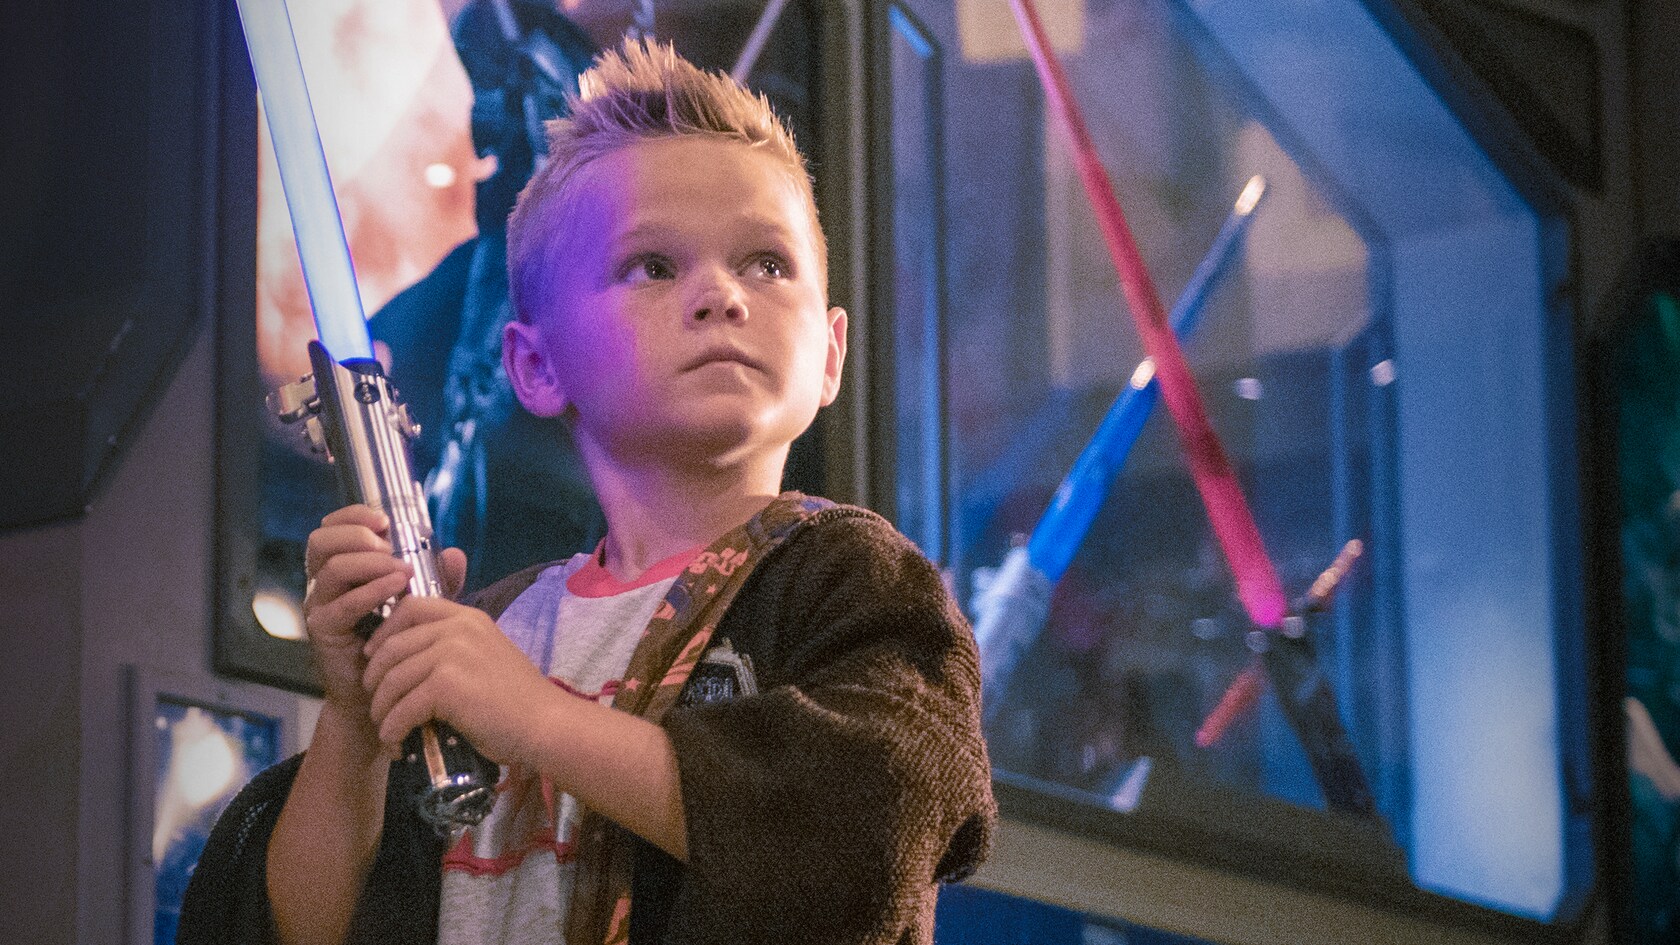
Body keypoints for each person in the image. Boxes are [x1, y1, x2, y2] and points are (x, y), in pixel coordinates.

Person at [179, 39, 995, 945]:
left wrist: (533, 717)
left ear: (831, 350)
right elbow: (296, 926)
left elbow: (872, 826)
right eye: (652, 265)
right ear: (535, 364)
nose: (721, 294)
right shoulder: (491, 631)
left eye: (768, 263)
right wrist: (357, 726)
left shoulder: (851, 579)